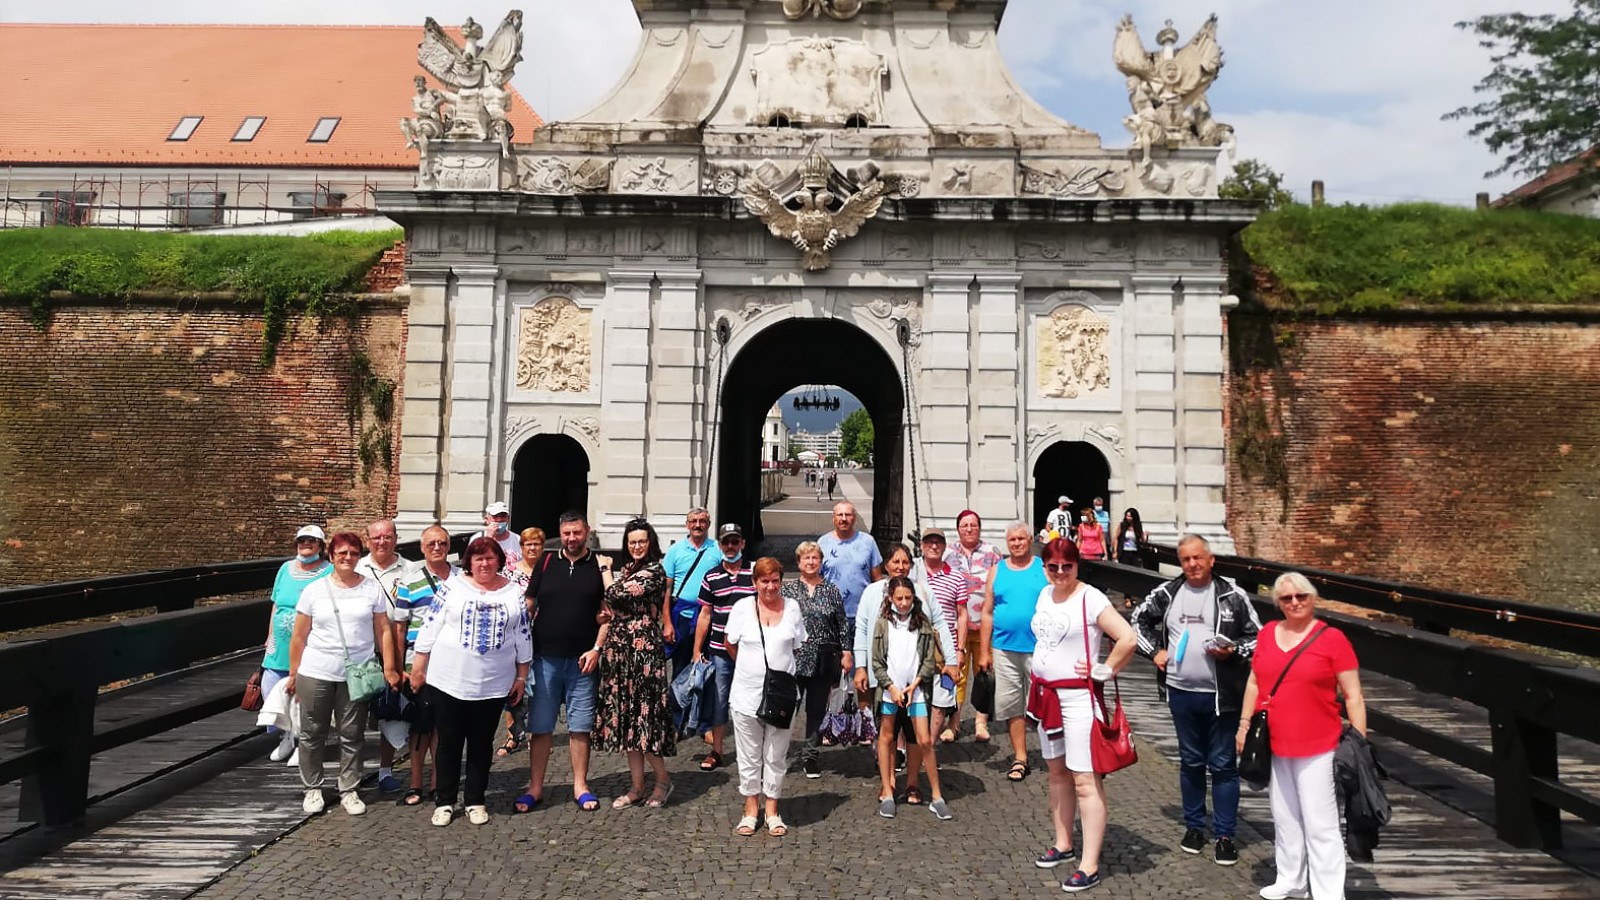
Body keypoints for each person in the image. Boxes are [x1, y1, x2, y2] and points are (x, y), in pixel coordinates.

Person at [1130, 533, 1262, 866]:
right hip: (1180, 692)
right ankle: (1194, 827)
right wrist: (1154, 652)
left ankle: (1225, 835)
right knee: (1191, 762)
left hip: (1222, 696)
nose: (1192, 564)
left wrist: (1234, 650)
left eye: (1198, 558)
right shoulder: (1168, 592)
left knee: (1223, 764)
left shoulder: (1232, 595)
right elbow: (1137, 620)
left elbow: (1258, 637)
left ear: (1211, 559)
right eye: (1186, 559)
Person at [1238, 574, 1367, 900]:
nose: (1294, 602)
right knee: (1285, 817)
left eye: (1301, 596)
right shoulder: (1267, 634)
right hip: (1274, 742)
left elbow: (1353, 696)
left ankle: (1328, 892)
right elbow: (1254, 682)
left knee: (1320, 823)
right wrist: (1243, 724)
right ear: (1278, 603)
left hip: (1318, 744)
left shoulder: (1332, 639)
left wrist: (1358, 743)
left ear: (1313, 598)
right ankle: (1291, 878)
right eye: (1286, 598)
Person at [1026, 539, 1138, 893]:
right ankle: (1063, 842)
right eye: (1053, 566)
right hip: (1046, 695)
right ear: (1045, 567)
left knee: (1085, 779)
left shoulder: (1092, 598)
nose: (1060, 572)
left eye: (1067, 566)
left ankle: (1089, 864)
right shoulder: (1045, 594)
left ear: (1077, 565)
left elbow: (1127, 638)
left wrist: (1104, 669)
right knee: (1056, 772)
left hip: (1077, 698)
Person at [409, 536, 532, 827]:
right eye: (479, 558)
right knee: (448, 743)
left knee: (481, 743)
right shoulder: (452, 586)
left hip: (493, 682)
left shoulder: (513, 591)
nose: (484, 563)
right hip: (449, 679)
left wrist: (521, 675)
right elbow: (430, 624)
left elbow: (523, 634)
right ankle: (445, 801)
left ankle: (475, 800)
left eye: (490, 558)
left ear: (499, 560)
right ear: (469, 562)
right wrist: (419, 666)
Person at [287, 531, 399, 816]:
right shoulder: (314, 590)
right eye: (342, 553)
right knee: (313, 732)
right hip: (316, 670)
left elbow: (383, 630)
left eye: (353, 553)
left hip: (356, 673)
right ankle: (313, 787)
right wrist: (293, 673)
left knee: (352, 733)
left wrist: (389, 667)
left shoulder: (371, 589)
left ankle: (349, 788)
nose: (348, 558)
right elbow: (299, 636)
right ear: (331, 556)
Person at [521, 511, 612, 812]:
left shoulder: (599, 566)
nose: (572, 538)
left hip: (582, 661)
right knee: (540, 727)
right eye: (566, 533)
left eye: (577, 532)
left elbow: (608, 614)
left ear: (587, 531)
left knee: (580, 727)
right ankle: (535, 787)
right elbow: (528, 606)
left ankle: (580, 785)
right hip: (544, 659)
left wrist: (597, 649)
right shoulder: (546, 562)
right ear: (560, 534)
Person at [854, 544, 957, 791]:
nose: (900, 567)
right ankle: (888, 781)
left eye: (905, 562)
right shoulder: (872, 592)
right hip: (883, 676)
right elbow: (861, 628)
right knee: (887, 731)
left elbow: (940, 624)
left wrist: (952, 660)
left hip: (916, 678)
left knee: (913, 734)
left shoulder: (922, 591)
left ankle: (912, 782)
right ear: (886, 565)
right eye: (895, 562)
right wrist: (860, 666)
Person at [595, 519, 677, 809]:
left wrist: (605, 570)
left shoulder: (654, 571)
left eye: (642, 541)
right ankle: (637, 786)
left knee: (645, 719)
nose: (637, 546)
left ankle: (663, 780)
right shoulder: (629, 569)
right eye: (632, 542)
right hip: (620, 652)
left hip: (643, 654)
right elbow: (612, 607)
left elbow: (614, 594)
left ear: (650, 543)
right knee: (628, 718)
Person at [723, 556, 808, 837]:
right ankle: (750, 809)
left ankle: (772, 810)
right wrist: (751, 668)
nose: (770, 587)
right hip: (746, 694)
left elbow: (797, 645)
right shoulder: (741, 608)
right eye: (764, 581)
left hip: (782, 696)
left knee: (776, 754)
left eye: (775, 581)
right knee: (749, 755)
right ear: (754, 582)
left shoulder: (792, 607)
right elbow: (729, 644)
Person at [870, 575, 953, 821]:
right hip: (890, 691)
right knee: (886, 736)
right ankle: (888, 791)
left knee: (924, 739)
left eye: (908, 598)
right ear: (890, 598)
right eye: (899, 598)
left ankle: (937, 796)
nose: (904, 603)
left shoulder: (922, 623)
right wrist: (891, 687)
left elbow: (928, 660)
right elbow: (877, 662)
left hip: (916, 692)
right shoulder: (883, 624)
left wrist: (914, 684)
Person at [977, 522, 1048, 784]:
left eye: (1021, 539)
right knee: (1012, 706)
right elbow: (987, 612)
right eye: (1012, 540)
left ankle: (1055, 754)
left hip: (1040, 649)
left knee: (1045, 705)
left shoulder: (1044, 568)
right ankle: (1020, 757)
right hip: (1004, 648)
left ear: (1030, 540)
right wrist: (984, 652)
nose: (1016, 543)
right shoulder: (997, 570)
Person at [392, 524, 456, 807]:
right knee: (420, 726)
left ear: (449, 546)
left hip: (452, 664)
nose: (437, 548)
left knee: (444, 726)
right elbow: (400, 628)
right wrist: (399, 667)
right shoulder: (409, 582)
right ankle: (415, 781)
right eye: (431, 544)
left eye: (442, 543)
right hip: (418, 664)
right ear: (422, 548)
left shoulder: (462, 579)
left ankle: (438, 782)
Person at [262, 525, 332, 766]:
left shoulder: (328, 571)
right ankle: (286, 735)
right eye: (302, 540)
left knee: (304, 693)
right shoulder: (285, 569)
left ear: (321, 545)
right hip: (280, 643)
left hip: (309, 642)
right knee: (271, 688)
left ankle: (302, 741)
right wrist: (270, 634)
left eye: (312, 540)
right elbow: (276, 603)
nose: (306, 544)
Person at [783, 541, 850, 779]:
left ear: (821, 562)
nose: (811, 562)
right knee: (787, 707)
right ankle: (778, 754)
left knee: (816, 709)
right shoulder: (788, 590)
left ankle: (810, 756)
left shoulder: (831, 590)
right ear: (798, 562)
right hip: (794, 658)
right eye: (806, 558)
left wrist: (847, 651)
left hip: (824, 658)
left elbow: (842, 624)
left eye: (815, 558)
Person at [691, 523, 754, 773]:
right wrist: (697, 650)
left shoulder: (754, 572)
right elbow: (705, 614)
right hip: (719, 651)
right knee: (719, 701)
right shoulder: (711, 576)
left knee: (753, 701)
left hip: (751, 650)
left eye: (735, 541)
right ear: (719, 545)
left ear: (742, 544)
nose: (730, 546)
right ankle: (717, 750)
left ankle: (753, 751)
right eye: (726, 542)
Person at [358, 518, 411, 794]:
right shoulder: (356, 567)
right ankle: (352, 771)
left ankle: (385, 770)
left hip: (396, 649)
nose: (382, 542)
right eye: (376, 537)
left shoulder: (410, 570)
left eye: (387, 536)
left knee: (392, 711)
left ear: (396, 539)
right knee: (353, 713)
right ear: (368, 540)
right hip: (361, 652)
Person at [945, 510, 1001, 742]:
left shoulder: (992, 552)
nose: (969, 529)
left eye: (973, 525)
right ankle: (953, 723)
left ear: (979, 528)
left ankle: (981, 722)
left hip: (985, 626)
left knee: (984, 675)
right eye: (964, 525)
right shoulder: (948, 553)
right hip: (957, 627)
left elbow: (1000, 585)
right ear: (958, 528)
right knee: (956, 675)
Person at [910, 528, 968, 743]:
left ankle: (929, 747)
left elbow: (962, 615)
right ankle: (909, 746)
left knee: (941, 699)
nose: (934, 546)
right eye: (929, 542)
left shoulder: (956, 577)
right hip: (914, 644)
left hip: (945, 648)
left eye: (938, 543)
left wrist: (959, 650)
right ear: (922, 545)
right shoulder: (912, 572)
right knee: (913, 695)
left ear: (944, 547)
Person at [496, 526, 545, 757]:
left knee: (539, 687)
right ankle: (512, 735)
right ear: (521, 547)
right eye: (528, 544)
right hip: (515, 636)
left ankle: (537, 736)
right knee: (513, 685)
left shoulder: (549, 571)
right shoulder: (509, 573)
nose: (532, 548)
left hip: (543, 636)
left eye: (537, 543)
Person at [662, 508, 719, 676]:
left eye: (702, 521)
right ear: (687, 524)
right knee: (679, 668)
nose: (698, 525)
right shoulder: (675, 550)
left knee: (707, 667)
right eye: (693, 521)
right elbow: (666, 590)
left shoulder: (717, 549)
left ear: (708, 524)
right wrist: (667, 623)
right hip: (682, 617)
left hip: (709, 617)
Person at [819, 501, 884, 625]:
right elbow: (816, 579)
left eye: (848, 515)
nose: (844, 519)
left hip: (862, 614)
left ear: (854, 518)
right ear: (833, 518)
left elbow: (877, 580)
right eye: (840, 515)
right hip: (831, 615)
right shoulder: (823, 543)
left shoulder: (868, 542)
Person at [483, 500, 522, 567]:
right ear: (487, 519)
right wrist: (489, 538)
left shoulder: (517, 539)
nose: (499, 519)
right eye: (495, 516)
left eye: (503, 516)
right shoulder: (477, 538)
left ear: (508, 518)